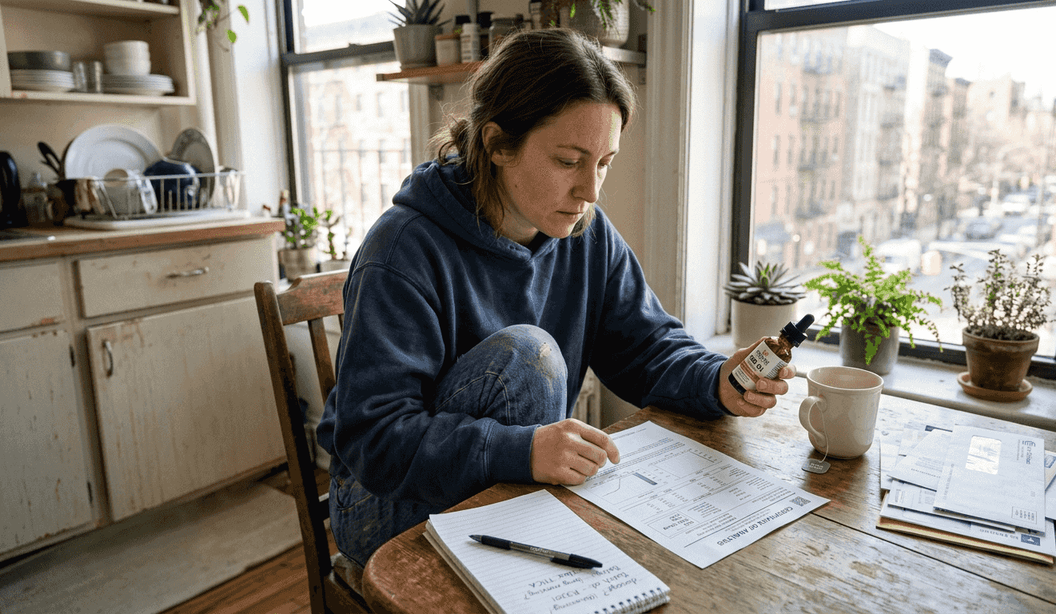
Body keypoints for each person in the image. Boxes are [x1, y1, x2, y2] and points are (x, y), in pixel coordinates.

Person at [315, 27, 795, 572]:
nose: (590, 189)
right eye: (569, 161)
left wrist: (717, 381)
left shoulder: (587, 232)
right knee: (528, 354)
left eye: (605, 161)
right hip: (379, 503)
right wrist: (521, 450)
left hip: (503, 485)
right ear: (497, 144)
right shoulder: (401, 249)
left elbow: (648, 345)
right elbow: (375, 439)